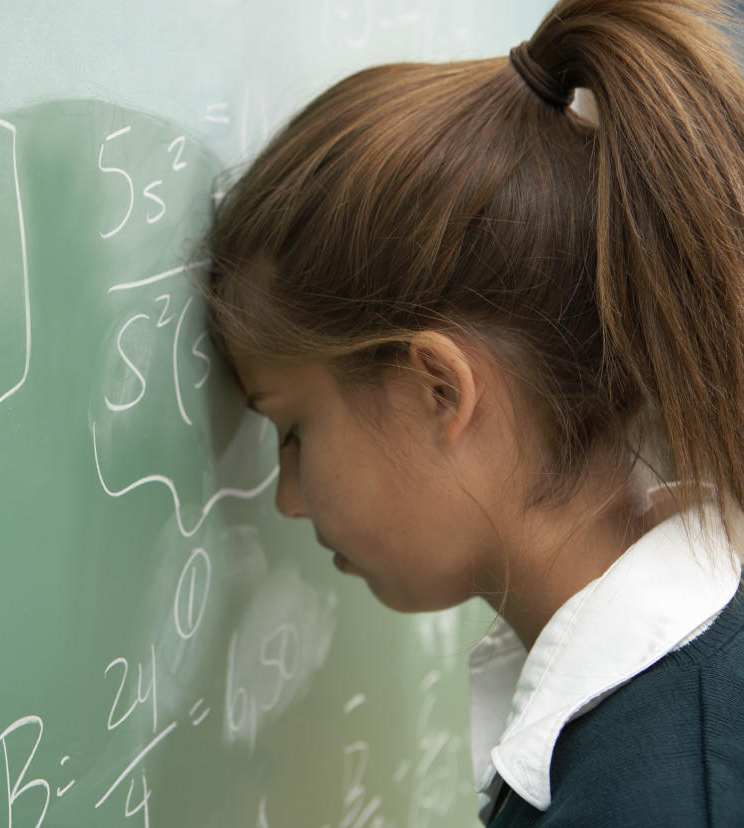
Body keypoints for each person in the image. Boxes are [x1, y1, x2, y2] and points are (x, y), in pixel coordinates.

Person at [203, 0, 744, 823]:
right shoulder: (692, 682)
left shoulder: (650, 795)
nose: (288, 498)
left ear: (439, 392)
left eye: (292, 431)